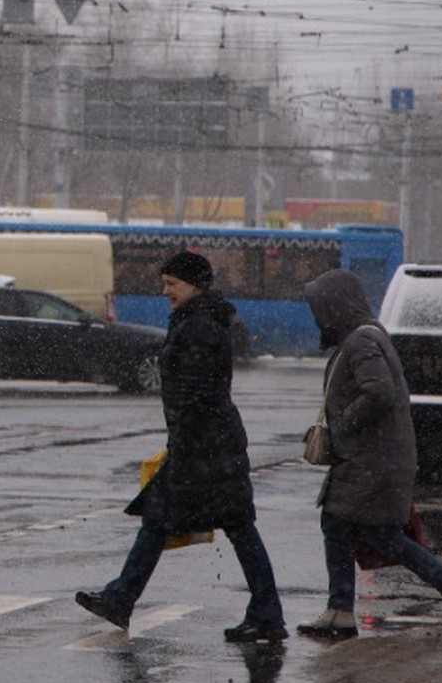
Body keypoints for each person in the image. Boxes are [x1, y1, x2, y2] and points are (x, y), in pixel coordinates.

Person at [76, 250, 288, 643]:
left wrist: (184, 442)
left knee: (231, 525)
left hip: (205, 446)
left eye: (171, 283)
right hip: (208, 441)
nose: (165, 291)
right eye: (164, 283)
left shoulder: (200, 327)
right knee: (183, 520)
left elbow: (195, 391)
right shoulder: (198, 320)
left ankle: (266, 611)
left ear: (193, 285)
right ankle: (123, 597)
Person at [298, 269, 442, 640]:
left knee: (378, 534)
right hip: (369, 458)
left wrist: (344, 423)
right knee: (338, 523)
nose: (317, 316)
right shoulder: (360, 338)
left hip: (374, 460)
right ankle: (340, 610)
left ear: (336, 305)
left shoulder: (362, 342)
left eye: (320, 307)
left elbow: (378, 392)